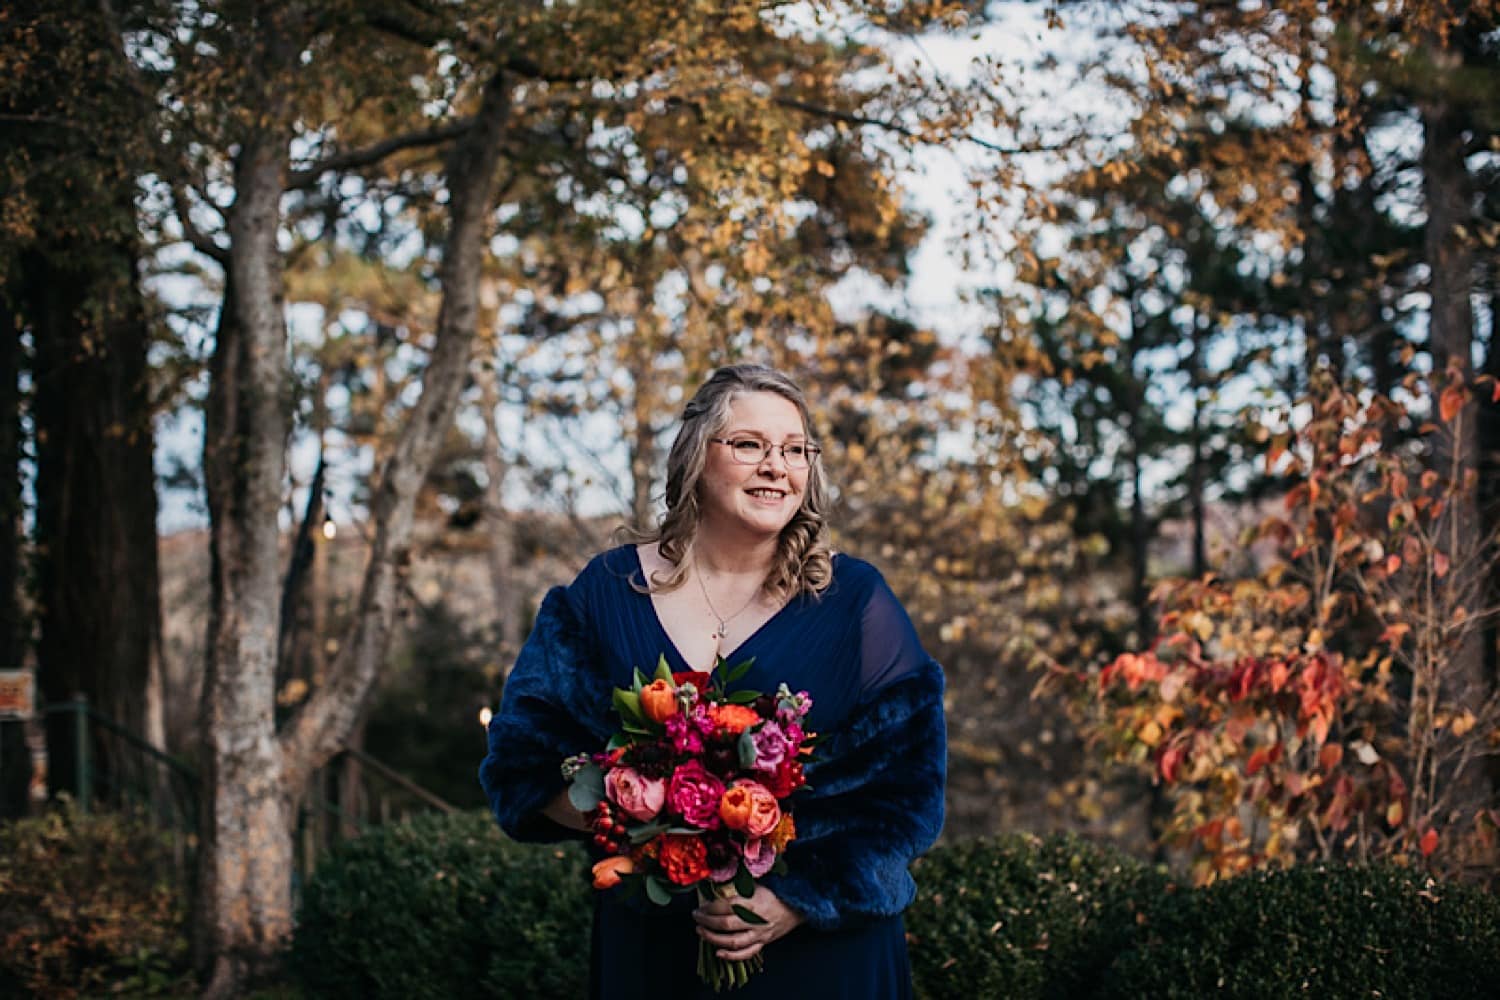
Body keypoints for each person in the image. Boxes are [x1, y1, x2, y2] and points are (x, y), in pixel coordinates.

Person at [479, 364, 947, 999]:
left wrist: (799, 900)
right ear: (697, 457)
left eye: (795, 450)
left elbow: (909, 795)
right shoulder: (605, 594)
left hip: (821, 955)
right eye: (750, 444)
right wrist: (644, 814)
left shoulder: (857, 603)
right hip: (656, 951)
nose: (776, 466)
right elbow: (520, 765)